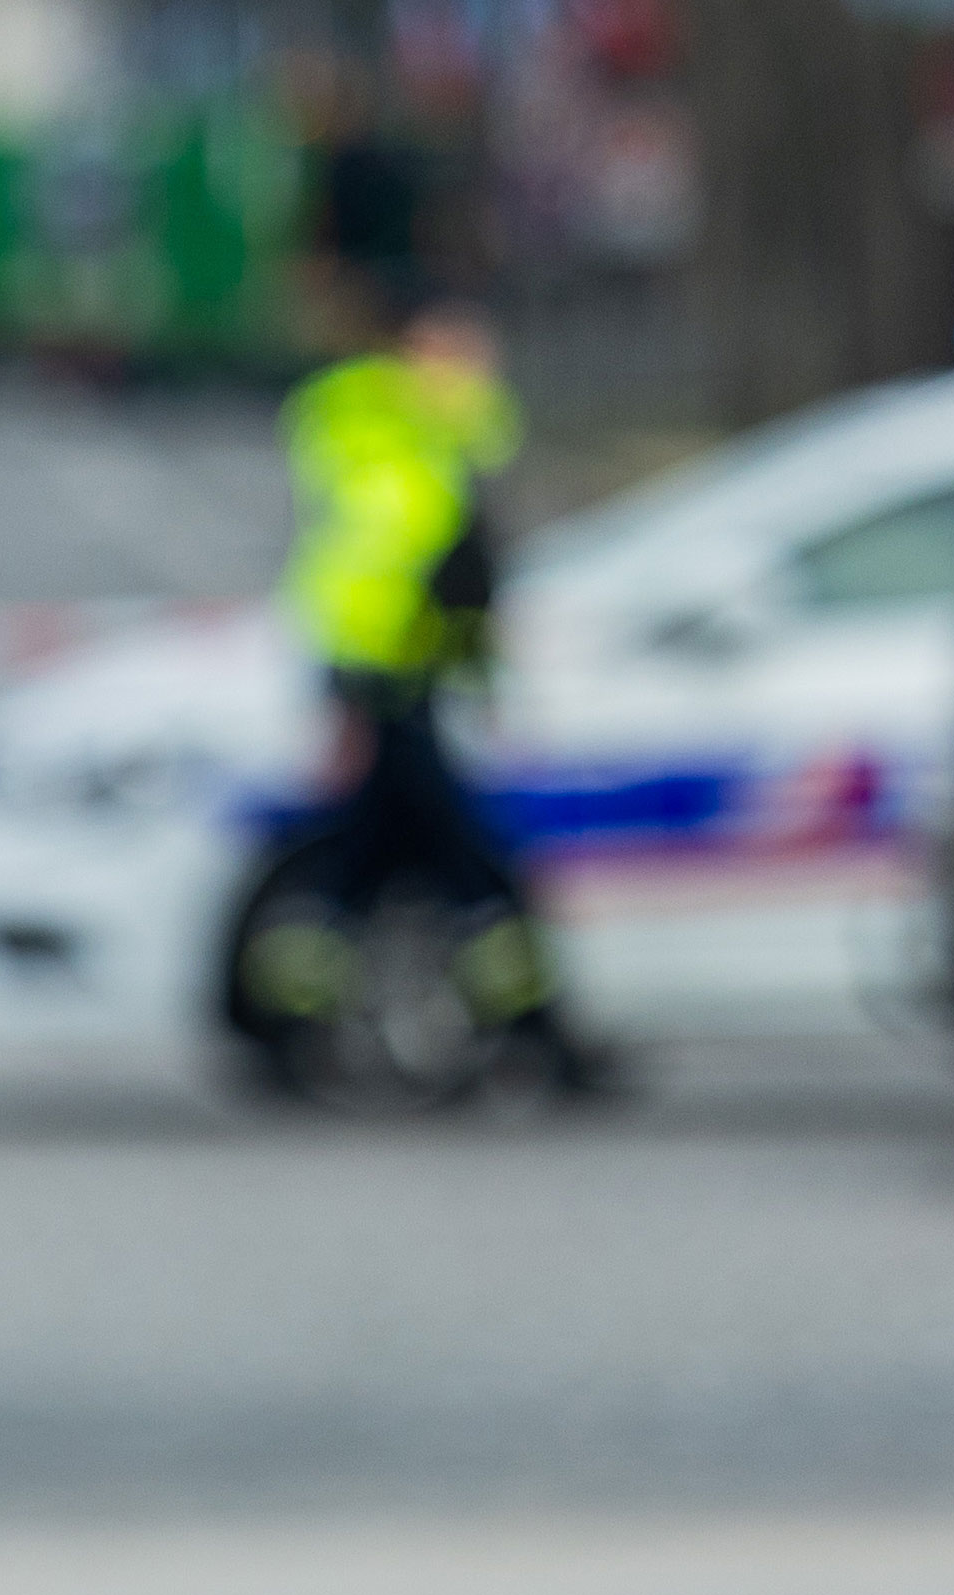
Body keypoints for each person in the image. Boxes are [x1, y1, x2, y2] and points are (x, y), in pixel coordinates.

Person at [263, 291, 610, 1093]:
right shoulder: (413, 451)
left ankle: (296, 1020)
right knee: (465, 862)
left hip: (396, 685)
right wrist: (361, 692)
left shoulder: (422, 441)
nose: (475, 367)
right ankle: (532, 1027)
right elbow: (416, 584)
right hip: (391, 689)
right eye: (457, 349)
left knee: (364, 863)